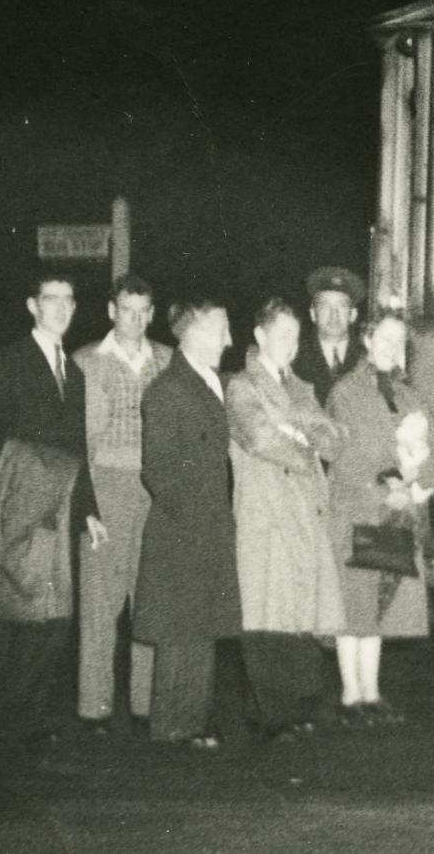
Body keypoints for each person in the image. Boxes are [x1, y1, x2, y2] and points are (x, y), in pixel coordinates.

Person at [0, 272, 101, 751]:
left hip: (60, 514)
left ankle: (28, 720)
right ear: (32, 306)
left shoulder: (74, 374)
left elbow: (79, 448)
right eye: (50, 300)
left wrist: (89, 510)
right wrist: (30, 477)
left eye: (68, 300)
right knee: (8, 618)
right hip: (19, 511)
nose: (60, 308)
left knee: (52, 622)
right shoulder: (9, 364)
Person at [326, 308, 434, 726]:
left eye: (399, 341)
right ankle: (351, 696)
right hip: (359, 511)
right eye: (383, 338)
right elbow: (347, 459)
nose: (391, 347)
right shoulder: (347, 392)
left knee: (379, 607)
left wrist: (423, 477)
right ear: (365, 340)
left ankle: (372, 692)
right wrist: (390, 487)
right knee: (355, 608)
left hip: (398, 515)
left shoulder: (409, 395)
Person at [228, 297, 347, 740]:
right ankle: (270, 716)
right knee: (265, 613)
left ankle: (297, 711)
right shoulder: (242, 385)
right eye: (282, 336)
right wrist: (304, 437)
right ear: (260, 336)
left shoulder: (301, 386)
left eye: (296, 337)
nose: (291, 345)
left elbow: (335, 440)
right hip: (266, 511)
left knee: (302, 611)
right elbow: (259, 436)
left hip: (305, 509)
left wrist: (297, 428)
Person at [134, 298, 242, 748]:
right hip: (184, 529)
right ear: (193, 332)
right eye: (222, 329)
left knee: (201, 629)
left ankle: (192, 722)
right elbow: (157, 470)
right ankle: (171, 727)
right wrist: (198, 520)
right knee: (180, 631)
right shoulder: (167, 390)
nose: (229, 339)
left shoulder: (210, 382)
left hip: (211, 525)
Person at [71, 272, 171, 732]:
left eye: (142, 311)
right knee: (99, 601)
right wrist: (85, 501)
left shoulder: (168, 361)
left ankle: (144, 704)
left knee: (149, 598)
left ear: (151, 314)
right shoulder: (86, 361)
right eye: (125, 310)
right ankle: (95, 708)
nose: (134, 319)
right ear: (112, 311)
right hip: (104, 484)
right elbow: (74, 440)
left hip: (153, 489)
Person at [295, 266, 367, 406]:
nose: (333, 315)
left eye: (341, 306)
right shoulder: (294, 358)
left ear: (353, 315)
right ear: (313, 314)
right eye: (325, 306)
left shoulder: (367, 357)